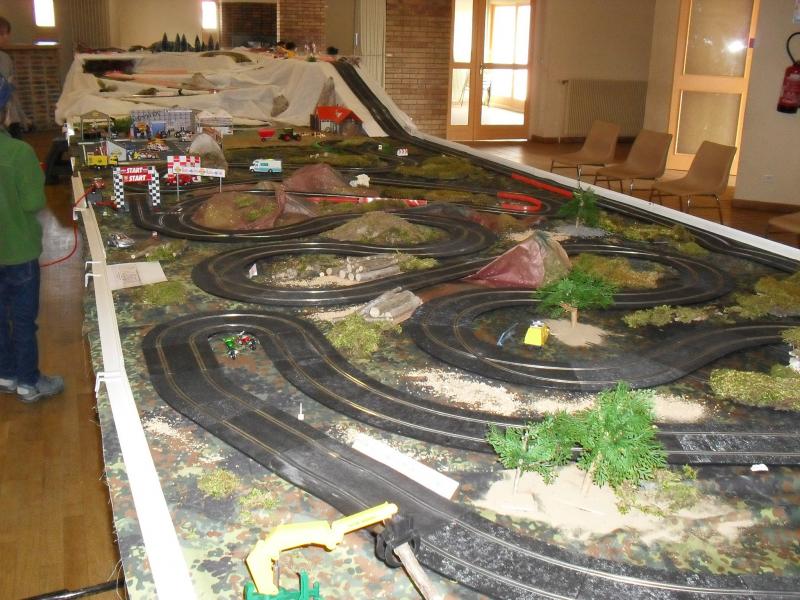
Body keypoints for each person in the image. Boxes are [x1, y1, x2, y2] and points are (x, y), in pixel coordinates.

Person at [0, 74, 64, 402]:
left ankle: (6, 373)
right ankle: (29, 381)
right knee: (23, 320)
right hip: (19, 252)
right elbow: (33, 202)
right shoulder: (18, 152)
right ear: (5, 111)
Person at [0, 16, 28, 139]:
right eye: (2, 34)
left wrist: (22, 117)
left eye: (6, 33)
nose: (6, 37)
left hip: (10, 114)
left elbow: (11, 91)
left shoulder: (5, 58)